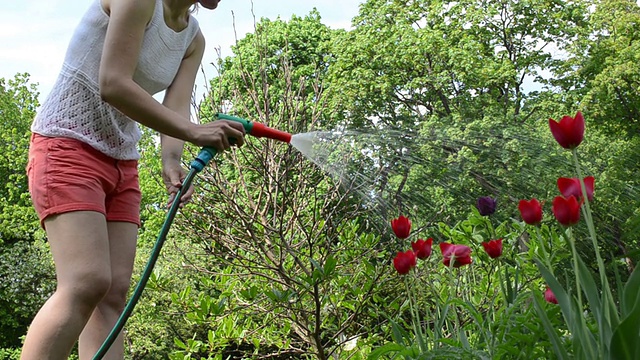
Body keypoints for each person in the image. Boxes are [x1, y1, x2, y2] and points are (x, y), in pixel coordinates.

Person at [21, 0, 244, 359]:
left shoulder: (192, 37)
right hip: (66, 143)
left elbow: (176, 106)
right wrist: (193, 131)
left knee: (113, 295)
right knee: (86, 282)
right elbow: (113, 83)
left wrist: (172, 161)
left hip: (122, 158)